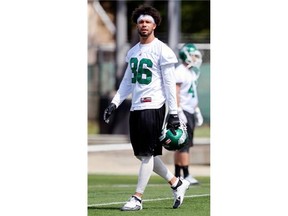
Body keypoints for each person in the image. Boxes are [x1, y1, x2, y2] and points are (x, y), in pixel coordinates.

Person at [103, 5, 190, 211]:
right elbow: (127, 82)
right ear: (137, 24)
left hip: (155, 106)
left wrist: (174, 114)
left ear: (155, 25)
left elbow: (169, 84)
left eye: (148, 22)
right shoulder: (133, 51)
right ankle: (177, 183)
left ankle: (137, 198)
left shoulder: (162, 50)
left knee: (148, 154)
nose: (144, 25)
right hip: (136, 107)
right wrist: (114, 102)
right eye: (141, 21)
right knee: (143, 155)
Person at [174, 43, 204, 185]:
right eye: (193, 55)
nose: (195, 58)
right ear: (186, 55)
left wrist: (196, 110)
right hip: (184, 110)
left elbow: (193, 94)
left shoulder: (190, 71)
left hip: (190, 110)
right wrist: (178, 110)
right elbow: (176, 92)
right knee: (183, 144)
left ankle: (177, 174)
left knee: (182, 144)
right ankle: (185, 174)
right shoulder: (180, 71)